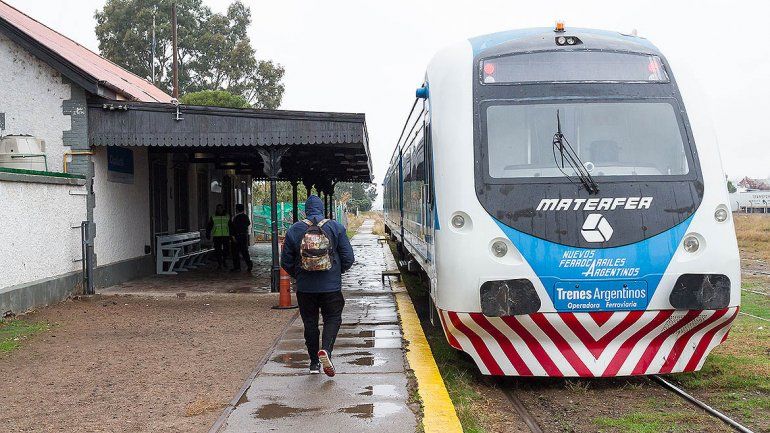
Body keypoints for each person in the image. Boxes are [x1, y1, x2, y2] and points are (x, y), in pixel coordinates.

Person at [281, 195, 354, 376]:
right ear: (322, 209)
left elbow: (286, 261)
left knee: (310, 324)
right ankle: (326, 351)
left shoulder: (294, 230)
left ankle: (314, 363)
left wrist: (298, 275)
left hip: (305, 288)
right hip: (331, 287)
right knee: (333, 318)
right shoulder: (335, 227)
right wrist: (337, 272)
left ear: (306, 210)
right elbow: (348, 258)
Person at [230, 203, 253, 272]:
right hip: (244, 236)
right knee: (244, 251)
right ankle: (249, 264)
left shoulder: (236, 218)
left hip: (237, 236)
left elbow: (233, 228)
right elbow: (248, 223)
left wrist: (233, 236)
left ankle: (237, 267)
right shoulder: (245, 216)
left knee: (235, 252)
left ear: (236, 209)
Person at [206, 204, 230, 270]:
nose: (219, 210)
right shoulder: (213, 216)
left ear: (222, 209)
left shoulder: (227, 216)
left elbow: (230, 226)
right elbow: (209, 226)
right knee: (217, 250)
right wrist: (207, 234)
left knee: (226, 250)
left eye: (220, 208)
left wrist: (232, 235)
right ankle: (220, 263)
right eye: (218, 208)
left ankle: (224, 260)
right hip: (217, 235)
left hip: (226, 235)